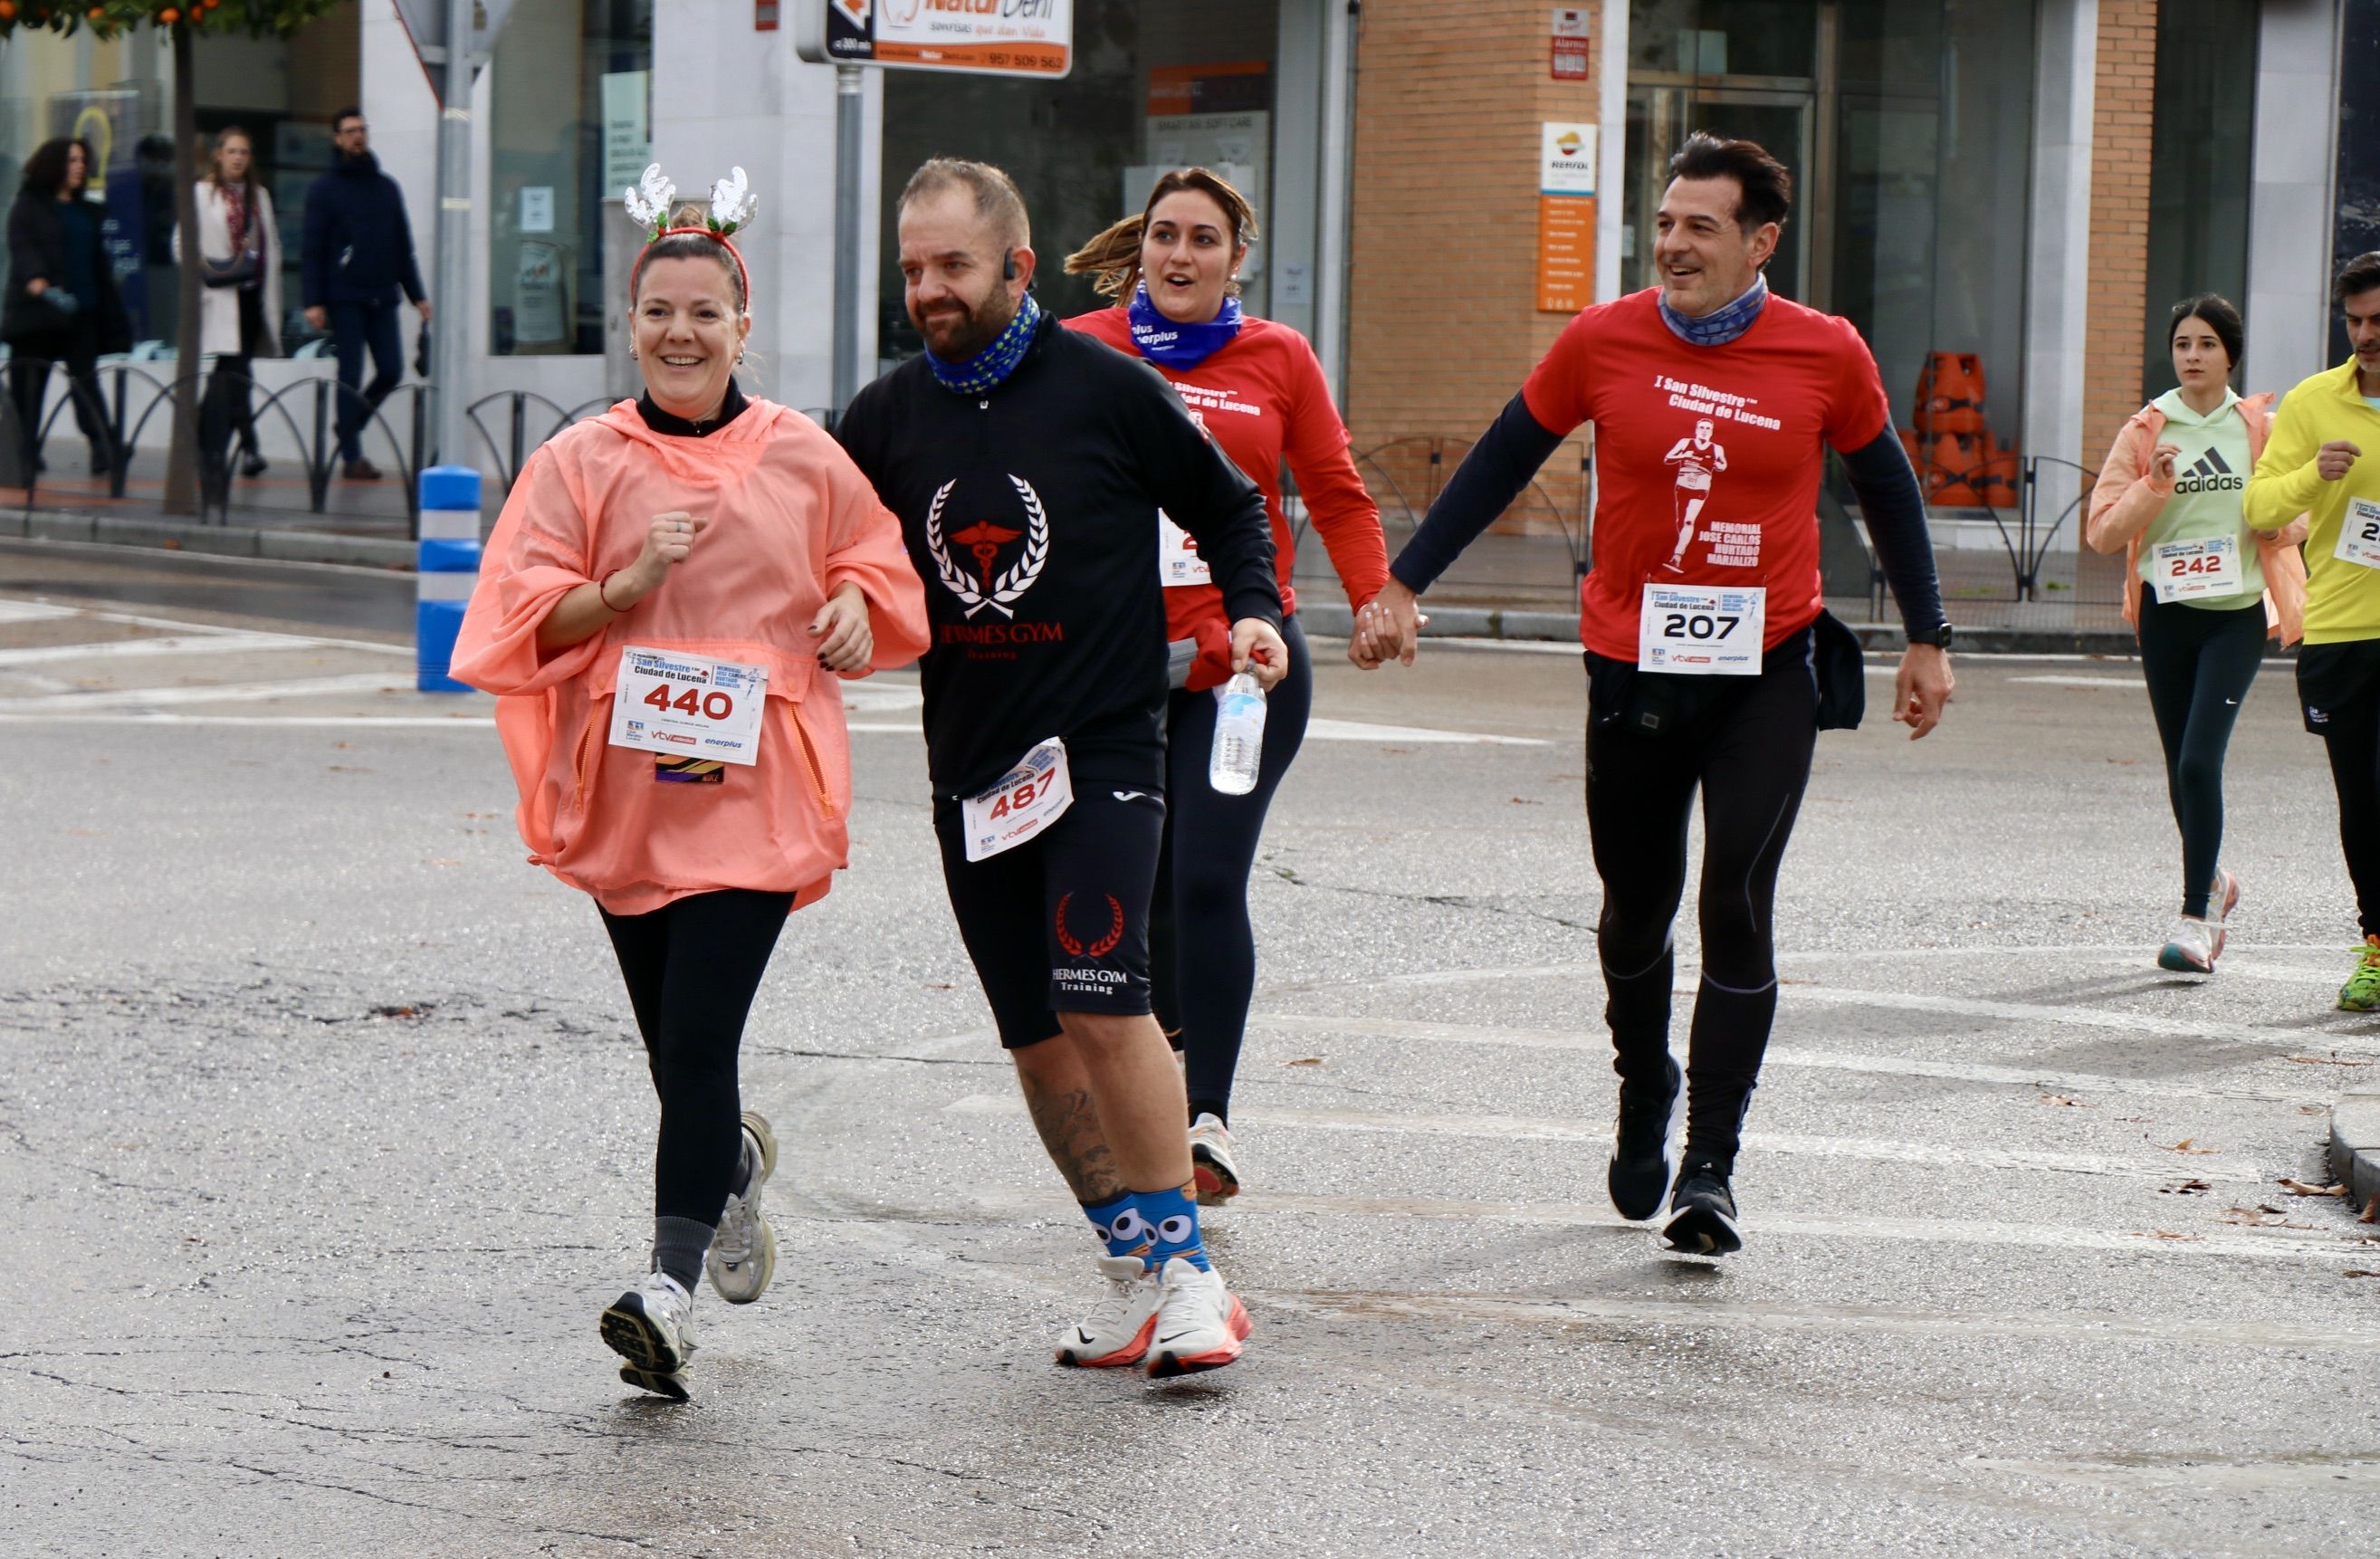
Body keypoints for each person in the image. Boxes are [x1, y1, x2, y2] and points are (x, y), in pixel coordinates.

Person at [1353, 132, 1953, 1257]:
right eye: (1664, 224)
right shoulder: (1602, 340)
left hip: (1765, 665)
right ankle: (1645, 1082)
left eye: (1699, 227)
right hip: (1631, 667)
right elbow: (1497, 457)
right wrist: (1399, 580)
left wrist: (1928, 636)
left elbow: (1889, 488)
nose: (1671, 245)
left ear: (1760, 240)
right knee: (1637, 906)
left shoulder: (1825, 355)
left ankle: (1711, 1166)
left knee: (1735, 897)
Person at [449, 180, 929, 1399]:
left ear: (741, 324)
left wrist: (850, 613)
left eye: (704, 312)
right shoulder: (581, 460)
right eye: (659, 310)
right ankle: (728, 1178)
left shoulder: (805, 457)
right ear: (631, 322)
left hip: (755, 793)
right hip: (629, 795)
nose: (680, 332)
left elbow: (884, 582)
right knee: (678, 1056)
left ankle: (665, 1292)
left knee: (702, 1036)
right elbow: (511, 617)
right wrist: (615, 589)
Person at [836, 158, 1288, 1377]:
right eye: (914, 268)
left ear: (1018, 268)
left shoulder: (1104, 389)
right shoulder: (883, 418)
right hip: (972, 768)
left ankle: (1194, 1276)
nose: (929, 291)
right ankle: (1139, 1266)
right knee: (1036, 1037)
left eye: (955, 267)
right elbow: (820, 544)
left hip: (1102, 746)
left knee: (1103, 996)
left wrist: (1254, 614)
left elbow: (1234, 508)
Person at [1059, 167, 1389, 1204]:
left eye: (1204, 239)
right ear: (1139, 248)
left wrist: (1379, 597)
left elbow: (1333, 490)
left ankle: (1207, 1120)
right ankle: (1149, 1092)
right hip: (1110, 668)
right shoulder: (1080, 350)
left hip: (1242, 666)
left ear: (1234, 258)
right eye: (1165, 236)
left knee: (1205, 878)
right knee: (1140, 893)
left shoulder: (1278, 357)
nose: (1180, 256)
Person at [2088, 294, 2306, 974]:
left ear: (2229, 355)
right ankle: (2214, 881)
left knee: (2196, 762)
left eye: (2205, 344)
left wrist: (2279, 527)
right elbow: (2101, 532)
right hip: (2166, 612)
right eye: (2182, 344)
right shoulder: (2147, 428)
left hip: (2234, 615)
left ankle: (2194, 917)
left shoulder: (2260, 429)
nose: (2191, 356)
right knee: (2177, 767)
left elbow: (2297, 513)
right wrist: (2150, 488)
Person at [2244, 251, 2380, 1011]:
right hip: (2339, 631)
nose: (2364, 335)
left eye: (2377, 320)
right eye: (2354, 321)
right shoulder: (2310, 402)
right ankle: (2375, 945)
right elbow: (2261, 507)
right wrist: (2310, 477)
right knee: (2361, 804)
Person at [301, 108, 427, 481]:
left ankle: (349, 425)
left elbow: (403, 247)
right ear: (337, 138)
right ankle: (352, 457)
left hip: (382, 294)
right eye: (350, 131)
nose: (358, 136)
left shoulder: (386, 187)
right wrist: (313, 301)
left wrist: (417, 295)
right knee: (350, 373)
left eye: (362, 130)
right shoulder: (324, 190)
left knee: (391, 370)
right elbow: (312, 250)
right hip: (344, 297)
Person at [2, 138, 129, 479]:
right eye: (72, 160)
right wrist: (39, 282)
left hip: (80, 312)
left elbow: (97, 263)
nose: (79, 166)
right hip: (37, 314)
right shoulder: (28, 205)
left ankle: (105, 447)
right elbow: (22, 248)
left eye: (82, 160)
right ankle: (23, 454)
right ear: (54, 165)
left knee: (86, 384)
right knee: (28, 390)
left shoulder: (86, 210)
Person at [174, 126, 282, 482]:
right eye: (232, 151)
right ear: (218, 155)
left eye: (244, 152)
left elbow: (271, 246)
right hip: (221, 296)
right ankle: (249, 447)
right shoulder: (202, 194)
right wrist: (203, 269)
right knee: (238, 373)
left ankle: (201, 443)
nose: (238, 158)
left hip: (251, 297)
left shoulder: (259, 196)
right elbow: (179, 244)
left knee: (228, 375)